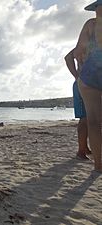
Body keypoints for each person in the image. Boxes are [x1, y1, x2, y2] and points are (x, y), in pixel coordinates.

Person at [74, 0, 102, 172]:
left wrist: (79, 70)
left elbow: (78, 52)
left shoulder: (91, 24)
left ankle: (99, 164)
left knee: (93, 121)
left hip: (90, 73)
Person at [65, 49, 91, 159]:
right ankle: (81, 151)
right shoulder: (87, 41)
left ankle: (85, 147)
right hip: (83, 83)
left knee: (91, 118)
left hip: (94, 85)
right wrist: (76, 76)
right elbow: (68, 57)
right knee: (84, 118)